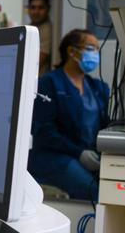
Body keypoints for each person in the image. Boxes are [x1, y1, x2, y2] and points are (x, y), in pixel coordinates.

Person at [30, 29, 110, 202]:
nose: (95, 54)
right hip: (55, 157)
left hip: (91, 155)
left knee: (114, 186)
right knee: (96, 192)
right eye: (90, 48)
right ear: (72, 51)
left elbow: (106, 125)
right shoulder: (49, 83)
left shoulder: (98, 88)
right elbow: (44, 131)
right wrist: (79, 153)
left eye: (97, 49)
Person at [27, 0, 53, 76]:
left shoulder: (48, 30)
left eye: (41, 7)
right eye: (33, 7)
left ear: (48, 9)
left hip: (39, 82)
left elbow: (37, 62)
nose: (36, 12)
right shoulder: (30, 28)